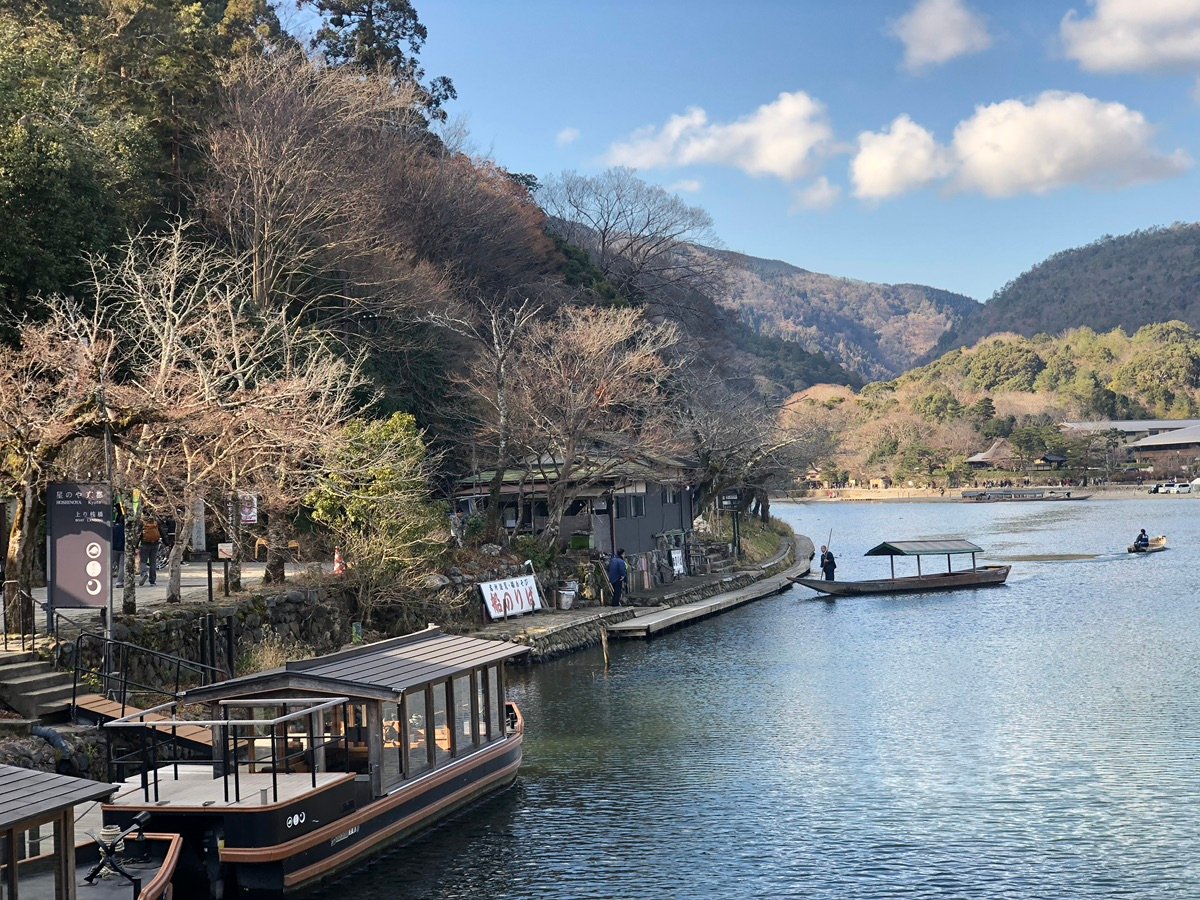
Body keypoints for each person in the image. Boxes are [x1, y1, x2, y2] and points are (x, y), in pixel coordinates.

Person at [139, 511, 161, 585]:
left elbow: (139, 534)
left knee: (143, 561)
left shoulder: (142, 523)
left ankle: (143, 574)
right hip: (155, 544)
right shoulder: (156, 522)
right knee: (153, 562)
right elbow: (161, 532)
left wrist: (135, 545)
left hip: (144, 544)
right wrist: (167, 543)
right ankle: (152, 580)